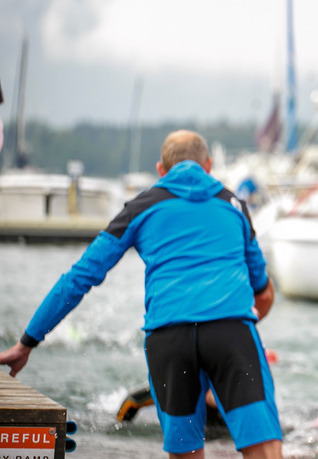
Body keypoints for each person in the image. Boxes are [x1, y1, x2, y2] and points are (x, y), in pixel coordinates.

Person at [0, 130, 282, 459]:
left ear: (161, 169)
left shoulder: (141, 206)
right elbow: (263, 293)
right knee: (265, 451)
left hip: (168, 339)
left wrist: (28, 341)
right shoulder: (233, 205)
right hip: (230, 333)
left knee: (186, 453)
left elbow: (79, 278)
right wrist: (230, 335)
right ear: (208, 166)